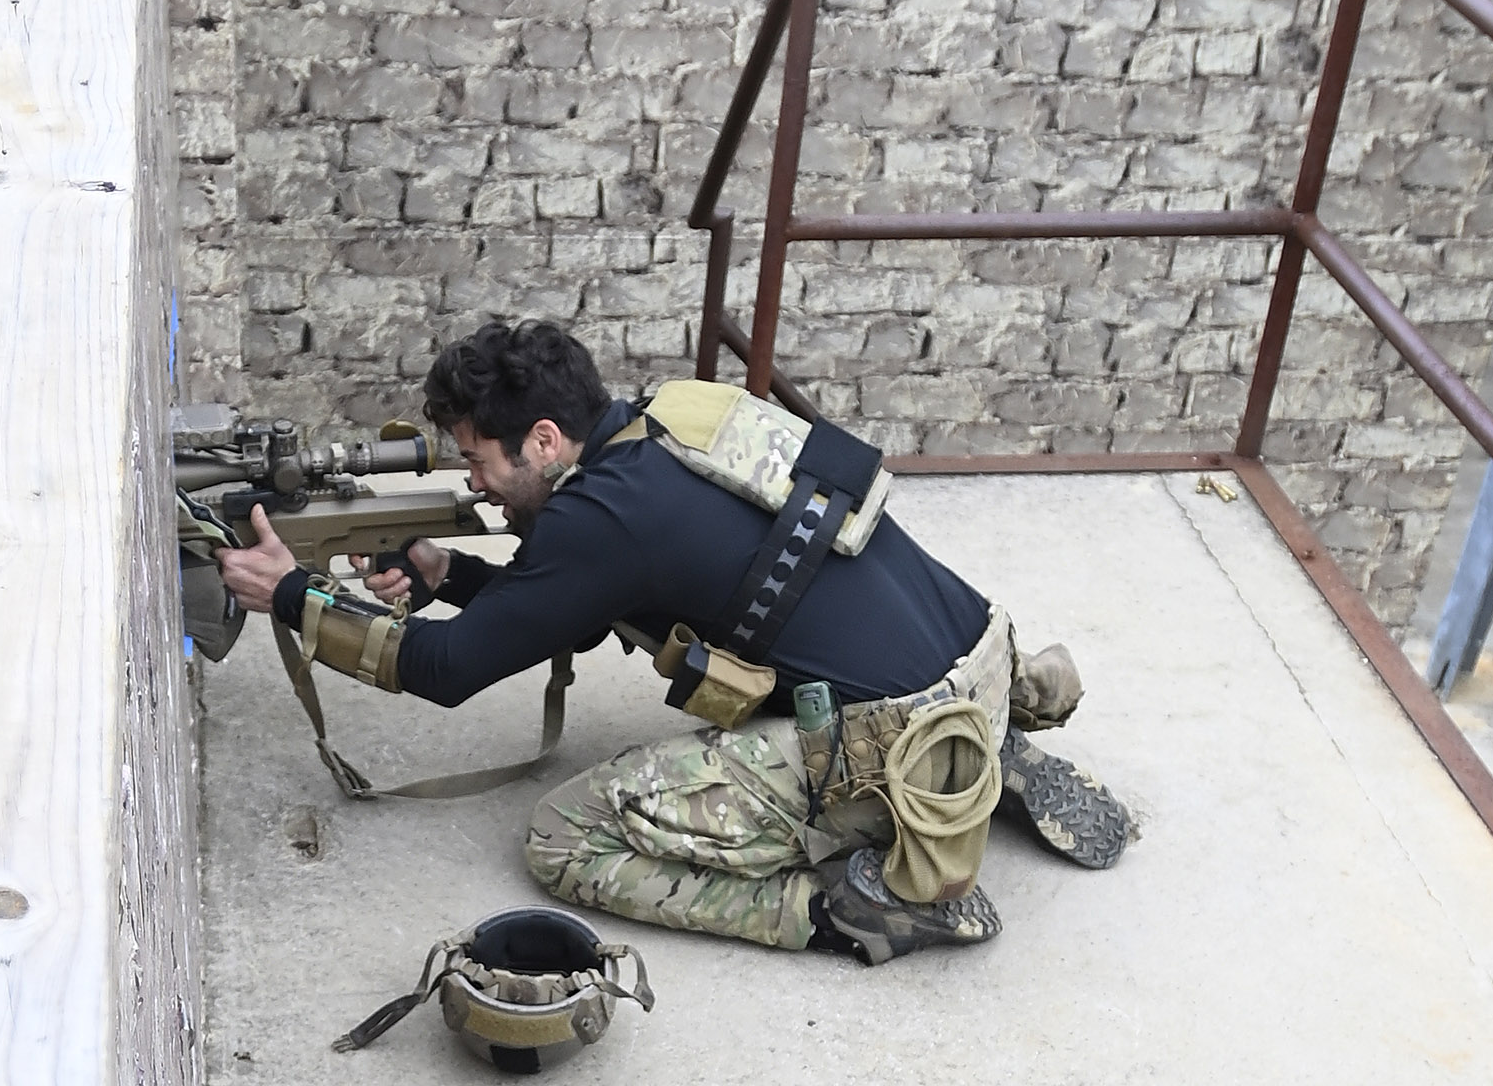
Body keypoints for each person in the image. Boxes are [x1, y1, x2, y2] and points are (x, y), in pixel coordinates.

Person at [210, 317, 1129, 967]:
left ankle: (863, 906)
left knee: (563, 840)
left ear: (541, 441)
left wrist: (288, 593)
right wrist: (450, 572)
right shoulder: (679, 422)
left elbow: (445, 670)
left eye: (480, 461)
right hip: (976, 649)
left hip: (887, 734)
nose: (478, 487)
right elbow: (581, 592)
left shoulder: (598, 523)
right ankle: (982, 744)